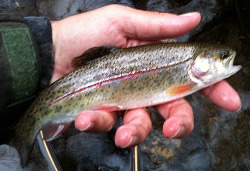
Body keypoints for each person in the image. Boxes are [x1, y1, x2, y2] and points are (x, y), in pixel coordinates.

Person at [0, 4, 241, 150]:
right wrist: (51, 46)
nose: (227, 58)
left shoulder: (188, 71)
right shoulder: (185, 81)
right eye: (221, 57)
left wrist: (45, 47)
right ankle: (23, 131)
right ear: (197, 62)